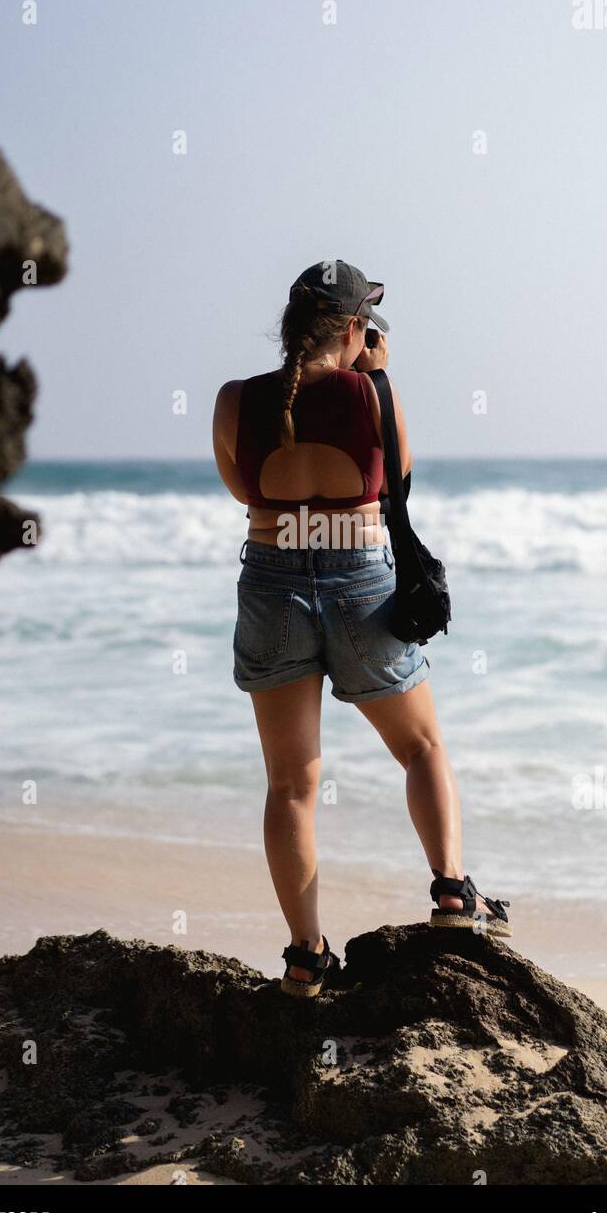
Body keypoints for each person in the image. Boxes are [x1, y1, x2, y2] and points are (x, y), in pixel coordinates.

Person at [212, 261, 510, 997]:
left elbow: (242, 490)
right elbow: (397, 479)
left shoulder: (232, 400)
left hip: (273, 582)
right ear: (353, 328)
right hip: (359, 581)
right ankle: (451, 893)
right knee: (421, 746)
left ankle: (306, 956)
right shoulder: (372, 393)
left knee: (290, 784)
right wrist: (374, 378)